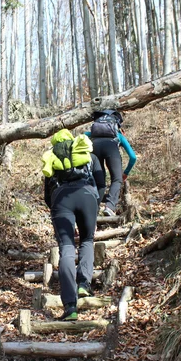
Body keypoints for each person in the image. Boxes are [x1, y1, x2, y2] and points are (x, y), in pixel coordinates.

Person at [42, 129, 105, 321]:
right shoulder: (88, 155)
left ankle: (70, 306)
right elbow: (101, 182)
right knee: (87, 240)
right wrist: (96, 202)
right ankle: (84, 285)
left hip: (61, 200)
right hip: (87, 197)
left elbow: (47, 195)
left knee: (67, 249)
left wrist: (57, 210)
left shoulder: (52, 158)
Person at [86, 109, 137, 217]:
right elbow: (133, 157)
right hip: (112, 149)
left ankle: (94, 209)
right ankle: (109, 206)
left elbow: (83, 135)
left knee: (99, 181)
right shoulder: (118, 136)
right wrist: (126, 173)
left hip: (94, 148)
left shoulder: (93, 135)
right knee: (116, 179)